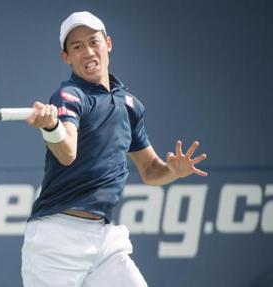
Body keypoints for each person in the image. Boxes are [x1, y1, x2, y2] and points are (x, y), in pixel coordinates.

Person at [23, 11, 207, 287]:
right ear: (66, 57)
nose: (87, 51)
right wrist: (51, 128)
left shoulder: (131, 105)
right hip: (56, 239)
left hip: (104, 239)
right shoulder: (69, 96)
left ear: (108, 43)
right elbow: (67, 152)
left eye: (93, 42)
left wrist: (173, 171)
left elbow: (150, 170)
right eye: (77, 46)